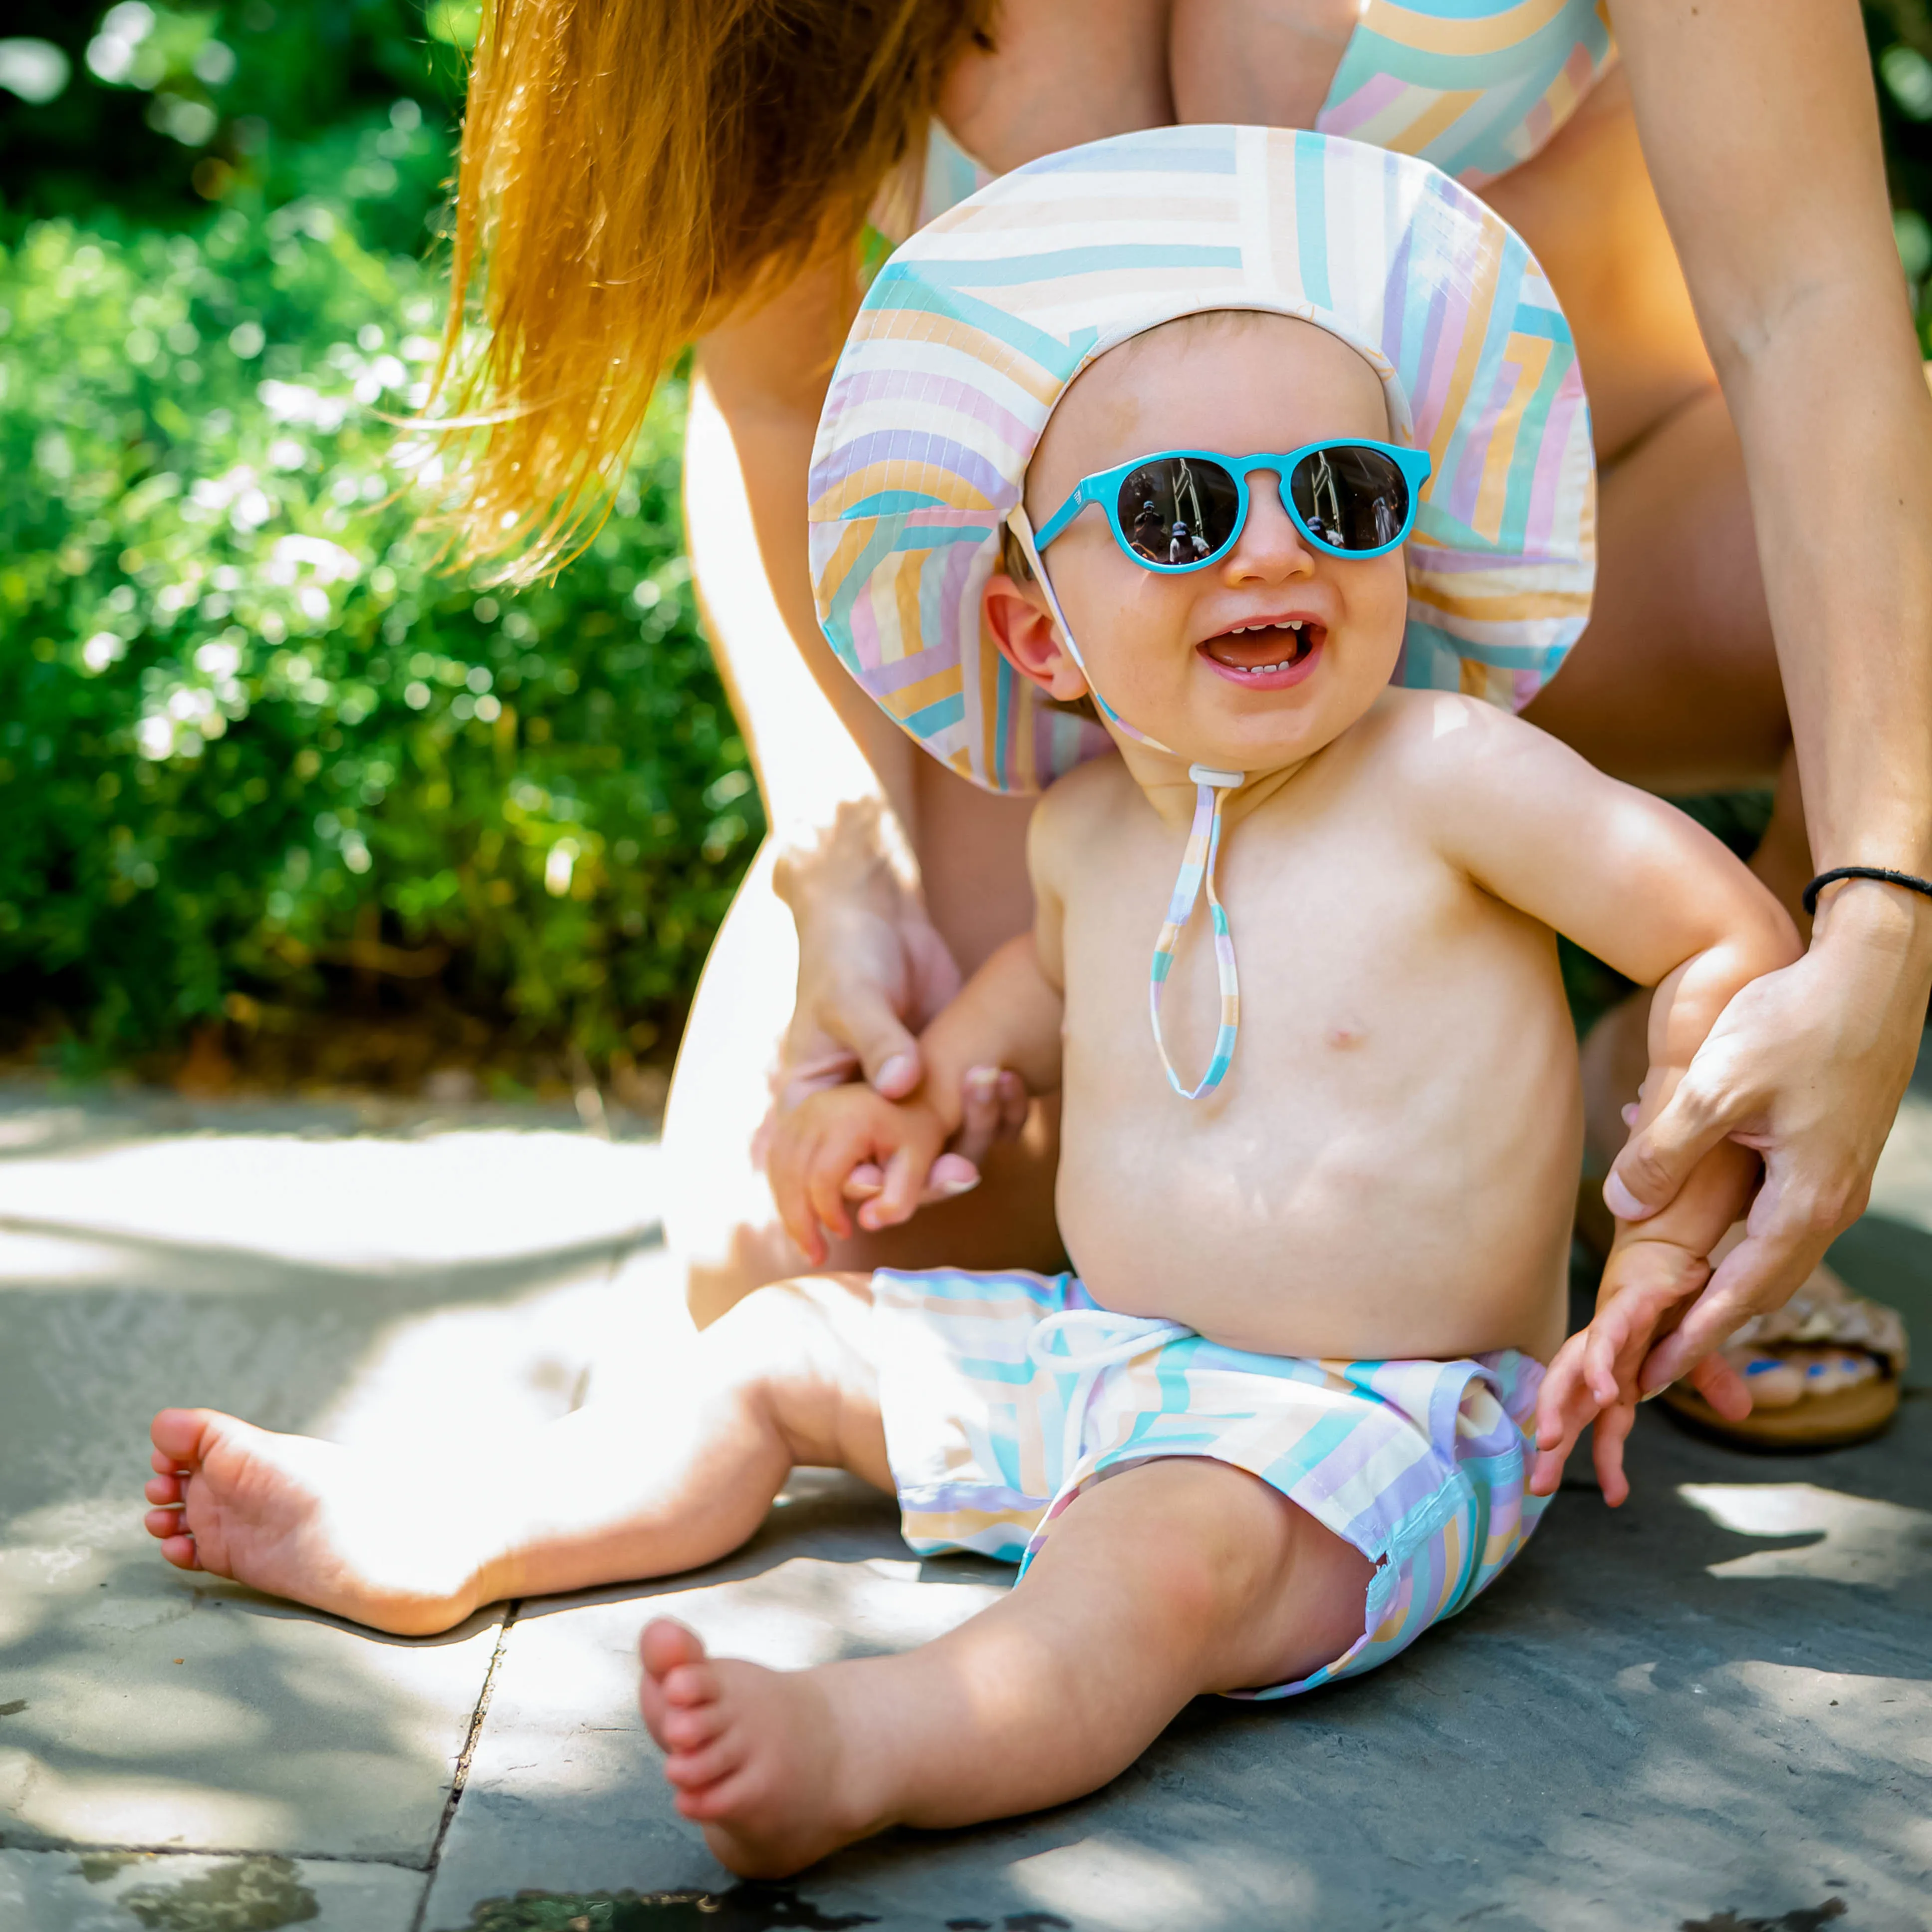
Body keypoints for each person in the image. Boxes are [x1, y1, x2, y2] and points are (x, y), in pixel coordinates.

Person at [145, 134, 1802, 1876]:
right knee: (783, 1346)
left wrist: (1664, 1242)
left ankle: (876, 1742)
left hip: (1360, 1427)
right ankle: (460, 1534)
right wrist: (918, 1104)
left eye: (1345, 496)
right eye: (1179, 512)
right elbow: (1019, 1013)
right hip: (1098, 1357)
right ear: (1038, 635)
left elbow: (1729, 938)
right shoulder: (1086, 831)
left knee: (1144, 1572)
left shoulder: (1458, 775)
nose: (1271, 555)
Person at [432, 1, 1932, 1443]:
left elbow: (1808, 309)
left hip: (1564, 569)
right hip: (1129, 692)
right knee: (788, 1246)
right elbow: (765, 406)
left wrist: (1876, 925)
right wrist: (844, 848)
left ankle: (1676, 1121)